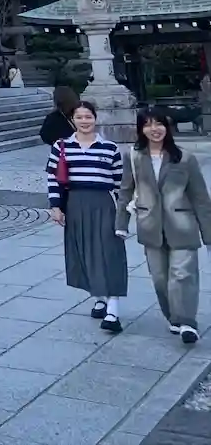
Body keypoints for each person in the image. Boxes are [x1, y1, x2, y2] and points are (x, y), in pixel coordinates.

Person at [115, 107, 211, 345]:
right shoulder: (134, 156)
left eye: (158, 123)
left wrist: (208, 234)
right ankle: (173, 317)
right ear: (141, 129)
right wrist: (121, 223)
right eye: (147, 124)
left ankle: (187, 322)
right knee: (160, 278)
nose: (154, 129)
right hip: (150, 226)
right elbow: (125, 191)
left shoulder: (185, 158)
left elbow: (201, 198)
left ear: (167, 127)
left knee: (183, 275)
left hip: (182, 225)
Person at [46, 99, 128, 333]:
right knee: (83, 250)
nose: (84, 121)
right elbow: (53, 178)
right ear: (73, 120)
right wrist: (56, 206)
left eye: (88, 116)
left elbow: (120, 184)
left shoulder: (109, 148)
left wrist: (124, 214)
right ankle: (99, 297)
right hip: (75, 203)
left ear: (95, 118)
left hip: (103, 203)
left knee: (110, 252)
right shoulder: (61, 146)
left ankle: (113, 308)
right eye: (79, 117)